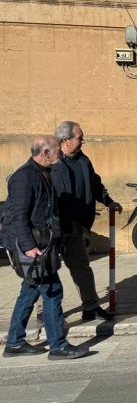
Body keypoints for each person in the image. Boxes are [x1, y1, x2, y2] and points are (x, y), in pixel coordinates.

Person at [2, 136, 88, 360]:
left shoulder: (43, 172)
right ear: (45, 152)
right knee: (52, 292)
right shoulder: (24, 177)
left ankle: (14, 342)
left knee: (29, 291)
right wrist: (29, 247)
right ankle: (58, 346)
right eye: (57, 150)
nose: (60, 153)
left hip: (43, 243)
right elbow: (18, 216)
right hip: (32, 246)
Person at [50, 120, 122, 318]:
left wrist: (108, 201)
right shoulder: (51, 160)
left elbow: (96, 184)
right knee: (47, 270)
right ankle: (45, 312)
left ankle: (90, 306)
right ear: (66, 140)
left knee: (82, 267)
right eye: (80, 138)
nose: (83, 141)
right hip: (52, 228)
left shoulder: (84, 160)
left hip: (76, 226)